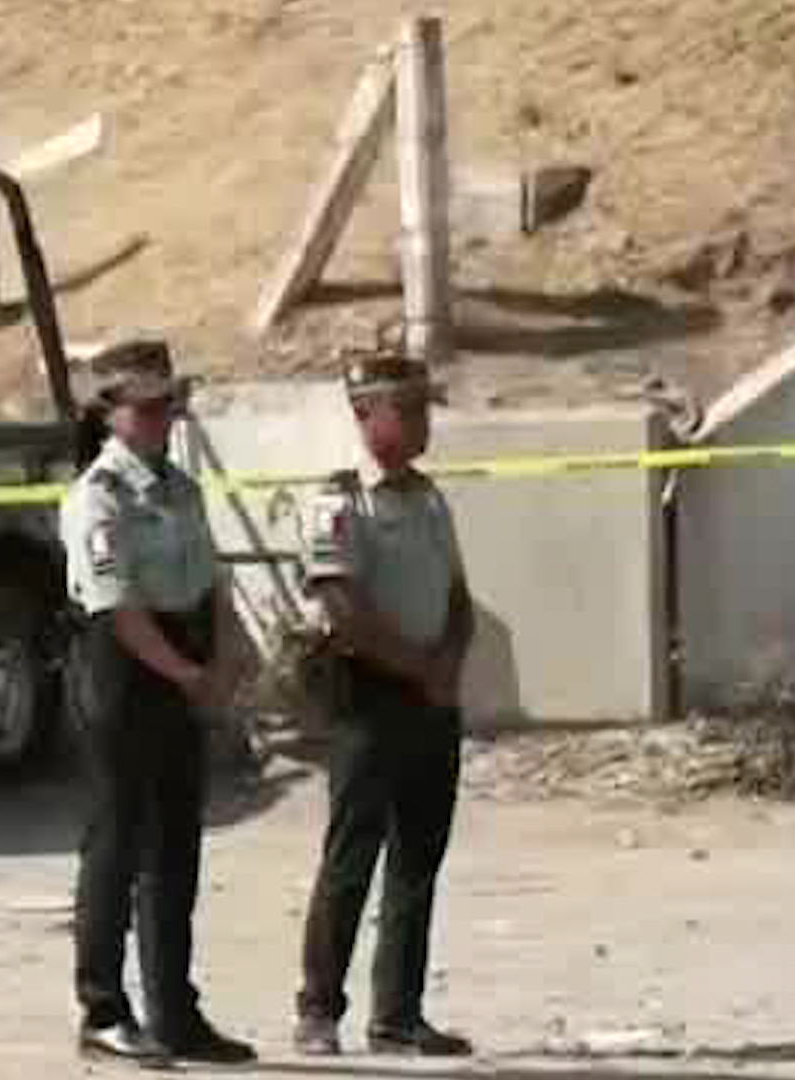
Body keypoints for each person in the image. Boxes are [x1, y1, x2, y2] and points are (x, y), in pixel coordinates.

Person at [57, 336, 257, 1066]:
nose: (160, 418)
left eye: (166, 404)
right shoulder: (98, 497)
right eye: (145, 407)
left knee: (177, 842)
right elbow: (117, 606)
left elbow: (209, 582)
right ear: (111, 414)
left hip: (182, 663)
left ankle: (174, 1008)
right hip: (124, 670)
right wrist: (184, 672)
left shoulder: (180, 489)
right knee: (115, 840)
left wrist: (230, 655)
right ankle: (104, 1009)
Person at [291, 349, 476, 1058]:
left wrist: (448, 662)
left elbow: (459, 596)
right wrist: (418, 669)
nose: (427, 419)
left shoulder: (429, 496)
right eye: (413, 407)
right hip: (370, 695)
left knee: (417, 857)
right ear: (368, 416)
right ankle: (318, 1010)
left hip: (432, 697)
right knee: (351, 856)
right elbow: (342, 606)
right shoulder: (340, 499)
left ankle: (397, 1014)